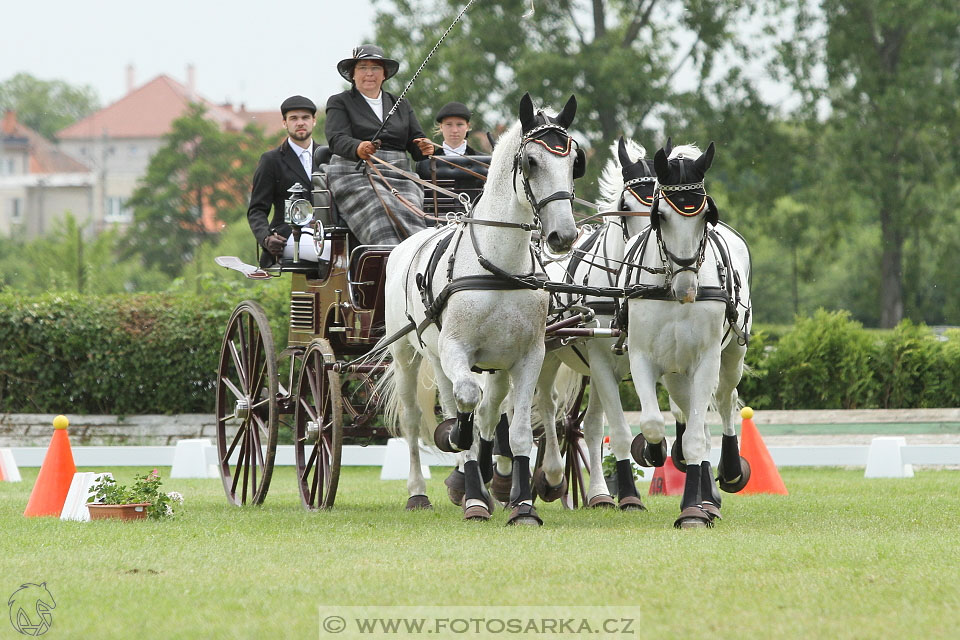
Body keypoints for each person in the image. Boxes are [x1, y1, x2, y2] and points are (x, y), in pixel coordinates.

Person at [325, 44, 434, 245]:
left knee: (408, 206)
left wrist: (425, 147)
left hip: (399, 173)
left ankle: (416, 253)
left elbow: (416, 141)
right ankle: (383, 257)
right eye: (363, 68)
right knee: (379, 206)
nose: (369, 73)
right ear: (352, 74)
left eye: (375, 68)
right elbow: (336, 138)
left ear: (384, 74)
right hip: (354, 171)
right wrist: (358, 148)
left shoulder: (401, 104)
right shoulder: (340, 102)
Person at [247, 95, 329, 268]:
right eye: (294, 118)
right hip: (289, 235)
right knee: (329, 251)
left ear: (314, 121)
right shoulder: (271, 160)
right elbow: (257, 210)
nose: (300, 123)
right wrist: (266, 238)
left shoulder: (329, 157)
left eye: (305, 117)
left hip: (327, 231)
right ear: (284, 123)